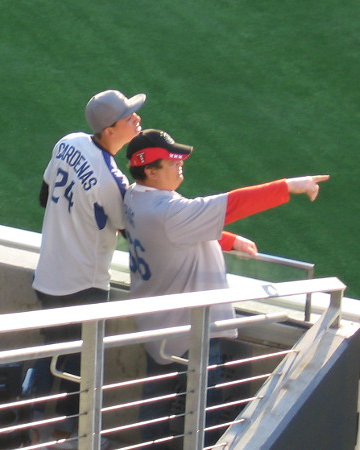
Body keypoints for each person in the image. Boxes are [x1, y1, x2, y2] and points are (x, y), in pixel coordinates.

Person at [123, 128, 329, 448]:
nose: (180, 164)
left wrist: (228, 239)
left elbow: (177, 230)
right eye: (171, 160)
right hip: (188, 331)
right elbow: (229, 205)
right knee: (193, 414)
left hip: (159, 323)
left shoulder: (137, 197)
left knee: (159, 404)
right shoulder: (167, 211)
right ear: (150, 170)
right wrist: (289, 186)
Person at [31, 90, 146, 446]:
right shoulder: (113, 180)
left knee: (51, 353)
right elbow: (133, 232)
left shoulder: (69, 142)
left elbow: (43, 194)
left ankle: (27, 419)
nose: (137, 119)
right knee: (82, 368)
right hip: (84, 284)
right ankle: (72, 437)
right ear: (111, 130)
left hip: (48, 274)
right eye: (130, 116)